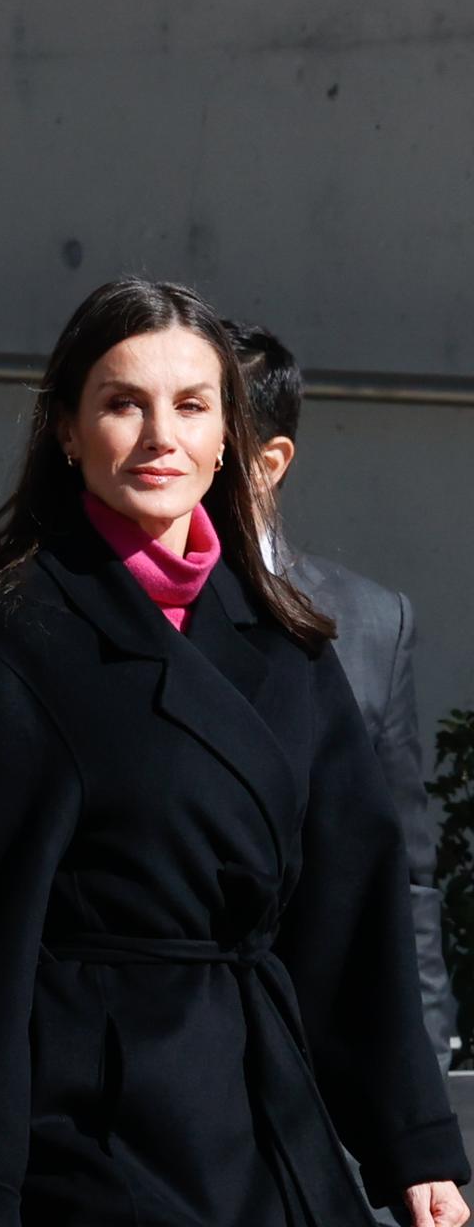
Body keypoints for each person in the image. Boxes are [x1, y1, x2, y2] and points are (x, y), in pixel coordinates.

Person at [0, 278, 470, 1227]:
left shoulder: (284, 636)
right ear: (68, 430)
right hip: (92, 1125)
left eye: (193, 406)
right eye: (124, 403)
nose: (162, 436)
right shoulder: (11, 639)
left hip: (269, 1111)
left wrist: (411, 1145)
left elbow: (353, 908)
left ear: (229, 435)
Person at [227, 319, 458, 1068]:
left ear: (269, 462)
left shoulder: (369, 622)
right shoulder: (95, 607)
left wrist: (423, 1064)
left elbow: (405, 873)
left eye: (200, 415)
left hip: (324, 1054)